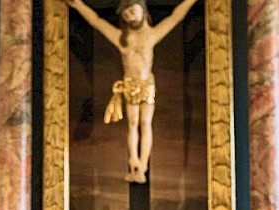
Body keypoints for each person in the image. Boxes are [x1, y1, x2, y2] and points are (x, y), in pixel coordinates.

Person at [64, 0, 199, 183]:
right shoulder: (121, 38)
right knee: (133, 123)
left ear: (143, 10)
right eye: (126, 14)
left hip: (146, 84)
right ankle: (133, 159)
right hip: (130, 84)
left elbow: (176, 17)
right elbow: (96, 21)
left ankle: (142, 164)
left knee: (145, 122)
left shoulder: (152, 35)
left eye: (132, 11)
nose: (130, 16)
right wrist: (78, 5)